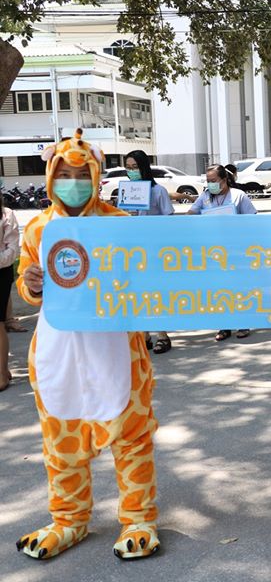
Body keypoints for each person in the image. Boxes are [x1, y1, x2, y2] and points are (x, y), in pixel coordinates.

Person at [15, 129, 161, 560]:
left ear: (96, 175)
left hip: (115, 348)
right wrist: (31, 284)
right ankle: (68, 520)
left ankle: (138, 519)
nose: (74, 182)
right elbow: (27, 282)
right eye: (65, 174)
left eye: (83, 174)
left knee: (131, 438)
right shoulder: (37, 228)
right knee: (60, 441)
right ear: (50, 177)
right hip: (57, 350)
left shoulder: (120, 224)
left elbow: (147, 278)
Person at [188, 164, 257, 341]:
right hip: (213, 252)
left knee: (239, 287)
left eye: (213, 181)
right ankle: (224, 325)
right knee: (219, 288)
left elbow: (252, 219)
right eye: (208, 181)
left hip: (236, 250)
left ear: (225, 180)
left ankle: (243, 323)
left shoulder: (238, 195)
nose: (210, 184)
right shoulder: (205, 196)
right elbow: (191, 213)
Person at [123, 150, 176, 354]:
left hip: (154, 252)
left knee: (155, 292)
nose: (131, 171)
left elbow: (169, 221)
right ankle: (144, 335)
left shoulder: (158, 191)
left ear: (144, 167)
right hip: (132, 252)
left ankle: (162, 335)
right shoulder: (125, 191)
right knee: (137, 293)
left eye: (135, 167)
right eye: (128, 167)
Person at [0, 197, 18, 391]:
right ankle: (3, 368)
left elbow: (12, 251)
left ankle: (2, 374)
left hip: (1, 273)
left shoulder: (7, 215)